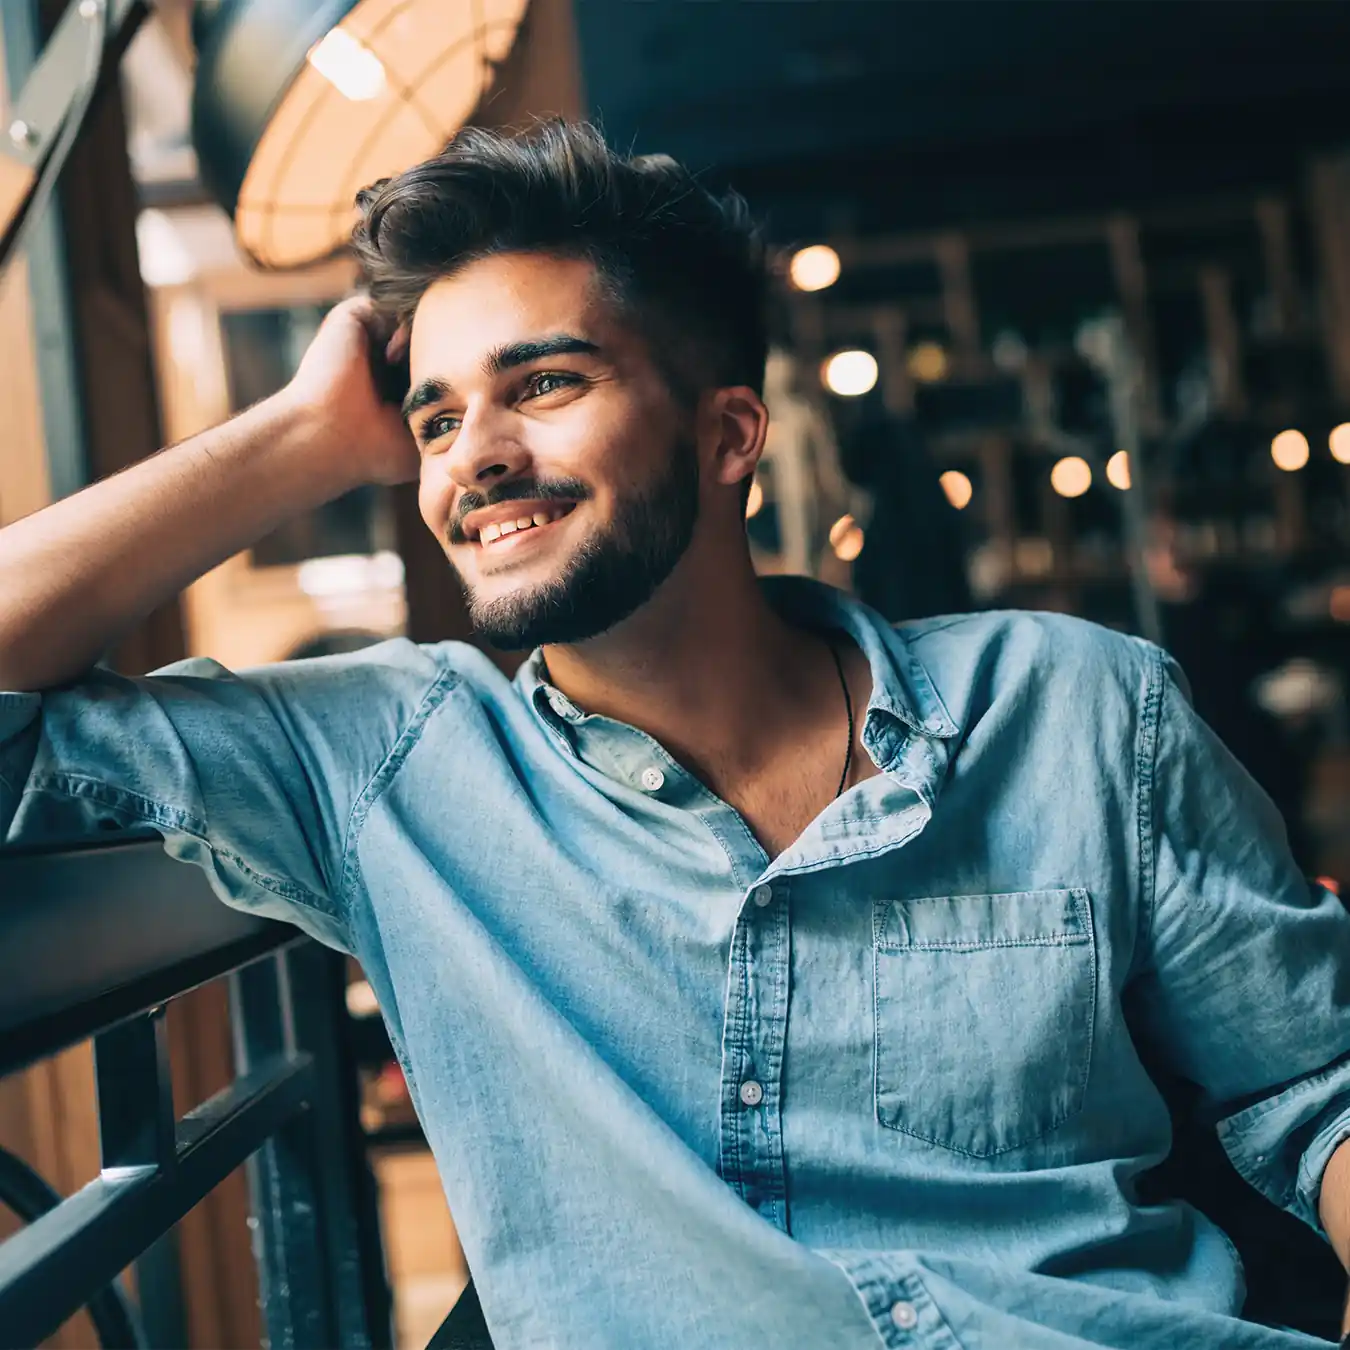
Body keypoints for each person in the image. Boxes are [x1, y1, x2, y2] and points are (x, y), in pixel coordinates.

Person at [1, 122, 1349, 1350]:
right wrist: (300, 438)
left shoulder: (1077, 707)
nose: (472, 454)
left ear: (728, 433)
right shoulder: (387, 764)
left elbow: (1312, 1085)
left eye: (542, 382)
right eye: (433, 417)